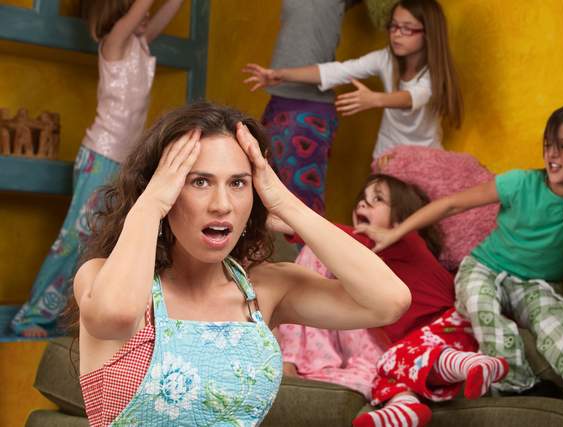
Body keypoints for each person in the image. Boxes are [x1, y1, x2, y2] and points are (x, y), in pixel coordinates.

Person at [70, 101, 411, 426]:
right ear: (166, 190)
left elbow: (389, 301)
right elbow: (115, 316)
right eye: (199, 181)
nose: (222, 204)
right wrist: (148, 205)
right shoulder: (101, 278)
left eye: (238, 183)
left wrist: (285, 202)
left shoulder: (264, 290)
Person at [357, 103, 563, 418]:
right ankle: (517, 384)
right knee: (480, 303)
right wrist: (394, 234)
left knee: (557, 319)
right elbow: (450, 205)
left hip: (537, 283)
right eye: (548, 145)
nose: (551, 155)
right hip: (484, 268)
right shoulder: (520, 183)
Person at [273, 174, 508, 427]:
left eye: (377, 199)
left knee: (410, 357)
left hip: (447, 327)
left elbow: (341, 239)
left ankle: (473, 364)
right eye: (361, 200)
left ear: (401, 220)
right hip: (411, 347)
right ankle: (404, 407)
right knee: (390, 365)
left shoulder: (408, 243)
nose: (363, 205)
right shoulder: (374, 266)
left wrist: (291, 225)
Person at [11, 0, 183, 337]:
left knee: (106, 241)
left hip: (125, 162)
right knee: (74, 239)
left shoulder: (138, 41)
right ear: (118, 12)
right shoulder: (114, 40)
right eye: (137, 8)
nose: (146, 13)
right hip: (100, 158)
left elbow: (165, 10)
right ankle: (30, 317)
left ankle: (79, 315)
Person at [243, 0, 463, 161]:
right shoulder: (385, 58)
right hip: (386, 157)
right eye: (393, 27)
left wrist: (375, 99)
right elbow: (337, 71)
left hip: (424, 158)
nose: (396, 34)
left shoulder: (432, 75)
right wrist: (281, 75)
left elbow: (411, 97)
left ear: (428, 34)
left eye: (406, 29)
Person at [245, 0, 360, 215]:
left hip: (308, 110)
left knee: (299, 202)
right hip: (279, 100)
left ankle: (307, 250)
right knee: (266, 194)